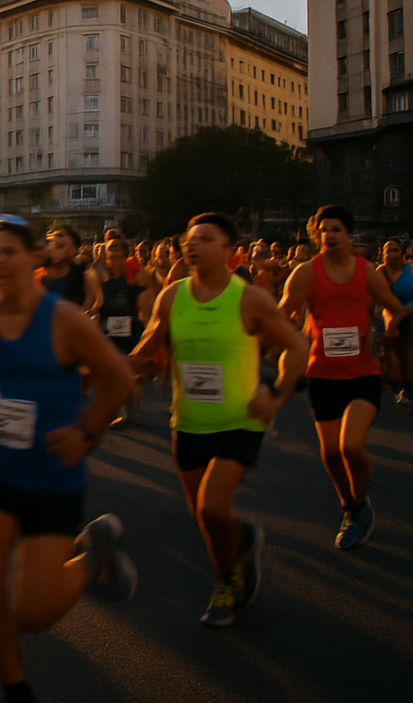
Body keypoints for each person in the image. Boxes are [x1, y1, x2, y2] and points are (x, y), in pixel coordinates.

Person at [0, 216, 137, 703]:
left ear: (35, 259)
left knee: (32, 614)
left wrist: (87, 432)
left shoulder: (64, 318)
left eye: (8, 250)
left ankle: (93, 561)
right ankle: (15, 688)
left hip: (53, 480)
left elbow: (118, 378)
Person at [130, 214, 309, 627]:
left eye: (206, 239)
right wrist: (99, 363)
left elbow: (296, 347)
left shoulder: (248, 298)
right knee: (203, 516)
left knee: (212, 508)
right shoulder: (171, 297)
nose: (193, 246)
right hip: (189, 422)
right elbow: (144, 351)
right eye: (189, 240)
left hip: (240, 420)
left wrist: (279, 393)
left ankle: (224, 583)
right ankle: (243, 538)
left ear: (229, 250)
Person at [280, 205, 406, 549]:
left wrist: (389, 330)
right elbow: (281, 314)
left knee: (351, 446)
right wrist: (292, 338)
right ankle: (351, 507)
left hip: (362, 372)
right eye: (324, 230)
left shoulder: (367, 272)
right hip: (322, 373)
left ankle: (359, 503)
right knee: (331, 454)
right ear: (317, 235)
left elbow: (392, 307)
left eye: (336, 229)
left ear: (349, 235)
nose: (330, 235)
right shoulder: (306, 273)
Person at [98, 239, 152, 428]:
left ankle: (128, 414)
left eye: (117, 253)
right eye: (109, 253)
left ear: (125, 256)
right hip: (109, 331)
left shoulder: (136, 277)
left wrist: (144, 326)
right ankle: (117, 409)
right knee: (112, 374)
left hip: (131, 331)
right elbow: (97, 303)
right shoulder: (102, 277)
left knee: (130, 375)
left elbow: (145, 305)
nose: (112, 256)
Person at [378, 239, 413, 411]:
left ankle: (409, 383)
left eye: (394, 250)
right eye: (387, 250)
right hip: (389, 311)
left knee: (406, 348)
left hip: (409, 312)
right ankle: (395, 381)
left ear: (402, 253)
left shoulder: (412, 272)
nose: (390, 253)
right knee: (388, 350)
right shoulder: (380, 272)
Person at [38, 224, 101, 311]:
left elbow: (90, 306)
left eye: (60, 247)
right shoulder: (38, 276)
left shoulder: (84, 277)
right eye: (52, 243)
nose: (55, 239)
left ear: (74, 249)